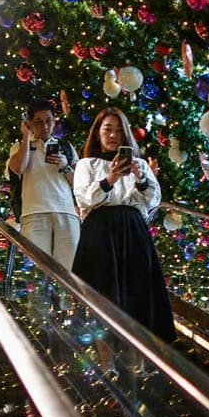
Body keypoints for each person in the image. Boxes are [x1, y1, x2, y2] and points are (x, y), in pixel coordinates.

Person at [71, 107, 177, 340]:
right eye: (107, 129)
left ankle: (138, 360)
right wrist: (110, 179)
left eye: (119, 130)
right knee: (101, 292)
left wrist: (140, 178)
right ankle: (107, 362)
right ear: (97, 133)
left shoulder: (139, 164)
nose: (113, 135)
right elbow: (84, 198)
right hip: (99, 232)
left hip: (133, 230)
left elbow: (153, 200)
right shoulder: (86, 164)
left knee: (137, 292)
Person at [5, 98, 80, 269]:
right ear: (30, 123)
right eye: (38, 122)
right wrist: (26, 136)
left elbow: (79, 184)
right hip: (33, 215)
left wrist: (65, 166)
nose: (45, 127)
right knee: (37, 272)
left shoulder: (66, 147)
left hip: (66, 213)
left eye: (49, 121)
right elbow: (17, 168)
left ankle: (69, 298)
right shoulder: (19, 148)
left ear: (54, 121)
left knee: (70, 272)